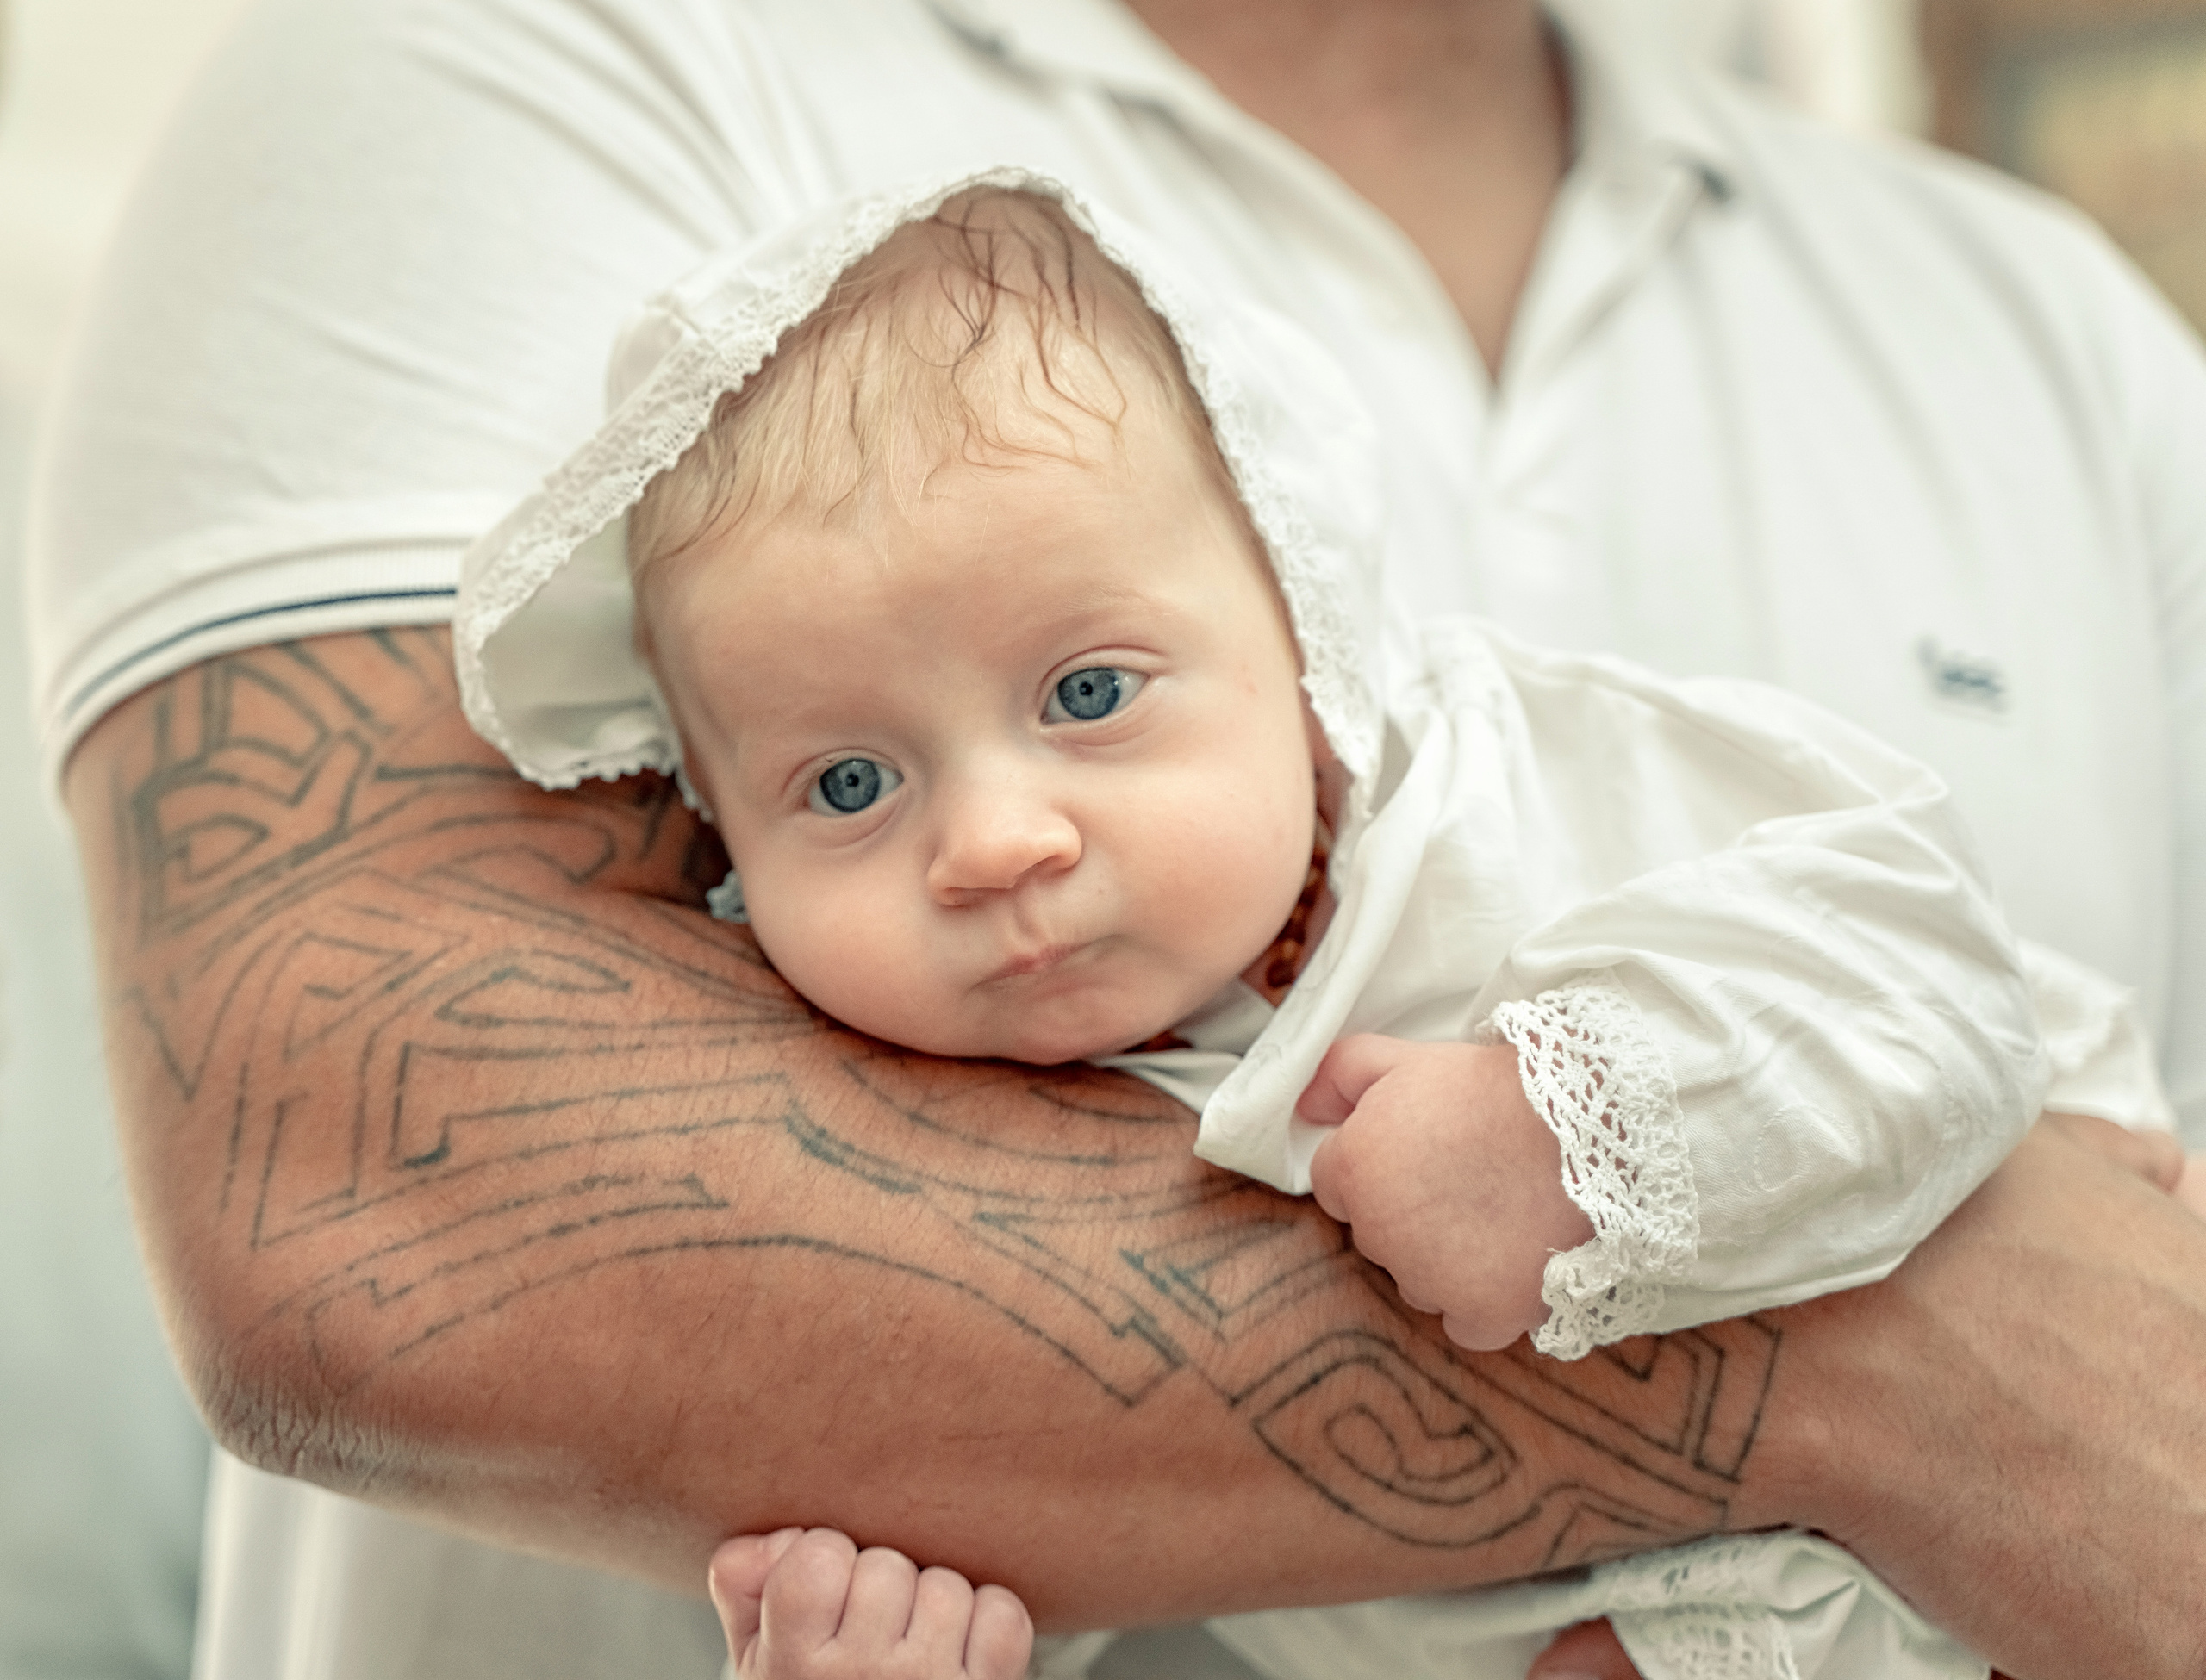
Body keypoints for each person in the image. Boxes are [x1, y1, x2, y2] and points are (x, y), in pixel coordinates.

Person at [27, 1, 2206, 1677]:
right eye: (843, 787)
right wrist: (1913, 1352)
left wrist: (1598, 1127)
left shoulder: (2047, 335)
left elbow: (1912, 945)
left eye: (1088, 692)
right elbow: (375, 1192)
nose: (992, 845)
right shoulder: (497, 77)